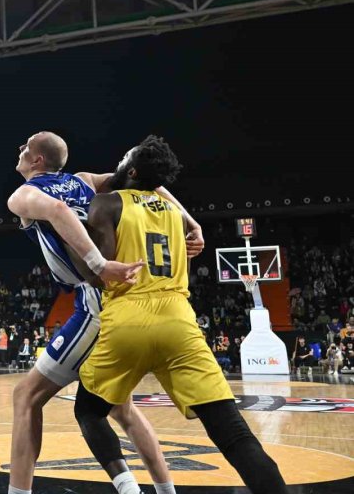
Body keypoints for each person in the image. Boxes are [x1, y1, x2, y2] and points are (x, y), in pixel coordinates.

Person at [75, 135, 288, 494]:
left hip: (129, 315)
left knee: (89, 411)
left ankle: (128, 487)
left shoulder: (106, 204)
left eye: (125, 155)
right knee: (233, 433)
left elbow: (100, 273)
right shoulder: (175, 213)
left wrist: (65, 237)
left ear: (133, 169)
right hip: (178, 318)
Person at [6, 132, 206, 494]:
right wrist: (190, 221)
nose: (19, 150)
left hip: (96, 299)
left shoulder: (22, 195)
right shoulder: (83, 181)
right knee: (121, 408)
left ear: (37, 160)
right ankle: (165, 490)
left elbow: (59, 210)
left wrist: (100, 264)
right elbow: (147, 181)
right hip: (128, 300)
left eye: (25, 147)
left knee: (26, 396)